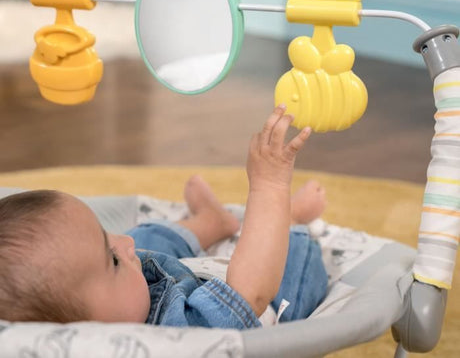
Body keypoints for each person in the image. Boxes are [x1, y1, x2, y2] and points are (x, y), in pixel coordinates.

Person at [0, 105, 328, 328]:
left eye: (106, 235)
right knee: (291, 281)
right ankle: (291, 219)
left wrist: (113, 261)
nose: (124, 242)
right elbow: (252, 292)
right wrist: (270, 185)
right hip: (262, 299)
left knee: (143, 239)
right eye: (112, 261)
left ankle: (210, 222)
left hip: (164, 285)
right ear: (91, 332)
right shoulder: (186, 338)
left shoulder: (116, 306)